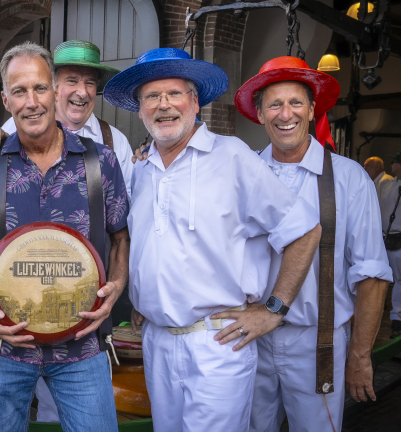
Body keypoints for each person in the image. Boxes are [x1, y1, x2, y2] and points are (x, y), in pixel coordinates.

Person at [108, 48, 322, 432]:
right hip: (155, 341)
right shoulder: (141, 170)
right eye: (151, 97)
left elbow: (304, 230)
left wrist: (274, 309)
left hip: (218, 343)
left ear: (195, 101)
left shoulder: (233, 157)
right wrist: (145, 294)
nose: (163, 105)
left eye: (174, 94)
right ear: (140, 109)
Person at [0, 41, 130, 432]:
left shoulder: (100, 161)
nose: (31, 101)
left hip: (81, 347)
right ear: (5, 99)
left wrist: (116, 288)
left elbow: (120, 237)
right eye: (19, 91)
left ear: (54, 91)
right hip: (4, 346)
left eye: (39, 88)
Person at [234, 56, 392, 432]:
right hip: (250, 336)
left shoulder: (350, 178)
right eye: (274, 104)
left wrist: (360, 356)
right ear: (259, 113)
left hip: (316, 341)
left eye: (295, 102)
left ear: (311, 110)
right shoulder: (243, 172)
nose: (284, 113)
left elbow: (371, 274)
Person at [0, 40, 134, 197]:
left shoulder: (116, 142)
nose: (83, 92)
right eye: (72, 81)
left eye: (90, 83)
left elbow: (125, 207)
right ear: (54, 87)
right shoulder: (14, 127)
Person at [381, 152, 401, 339]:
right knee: (380, 277)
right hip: (384, 236)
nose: (393, 164)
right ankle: (377, 313)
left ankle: (397, 317)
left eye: (395, 162)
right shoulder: (388, 184)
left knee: (400, 280)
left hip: (399, 238)